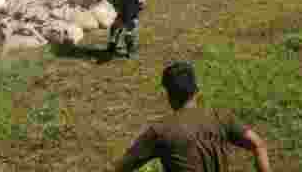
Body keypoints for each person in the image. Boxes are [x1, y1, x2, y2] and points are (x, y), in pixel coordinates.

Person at [110, 61, 271, 172]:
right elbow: (258, 144)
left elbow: (123, 167)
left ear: (169, 95)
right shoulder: (220, 117)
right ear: (196, 91)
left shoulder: (161, 131)